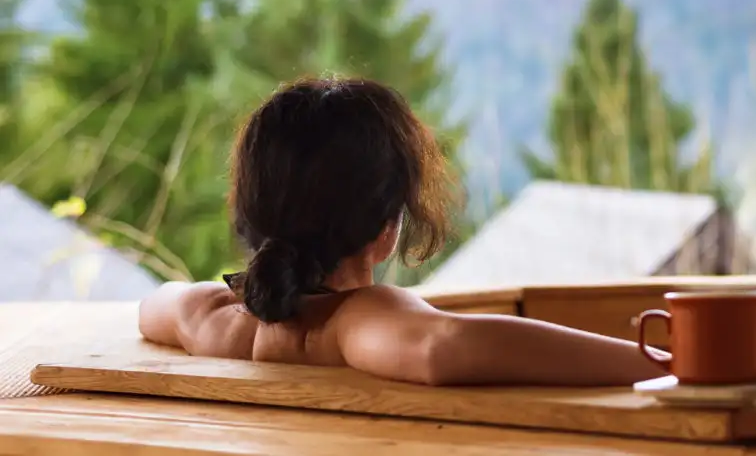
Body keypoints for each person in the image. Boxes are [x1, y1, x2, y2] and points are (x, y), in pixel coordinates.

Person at [138, 77, 667, 386]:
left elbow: (155, 306)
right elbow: (442, 345)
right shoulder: (352, 324)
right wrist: (670, 364)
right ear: (386, 228)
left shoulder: (217, 322)